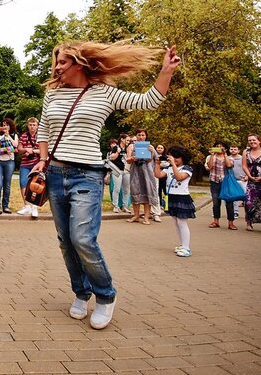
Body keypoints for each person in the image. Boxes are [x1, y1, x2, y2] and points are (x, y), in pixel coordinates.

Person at [30, 40, 180, 330]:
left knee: (83, 239)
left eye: (62, 62)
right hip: (57, 174)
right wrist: (43, 160)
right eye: (56, 62)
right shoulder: (52, 95)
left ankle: (105, 295)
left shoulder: (104, 93)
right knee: (65, 241)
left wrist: (166, 72)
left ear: (79, 63)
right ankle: (81, 292)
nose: (57, 67)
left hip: (87, 175)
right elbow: (45, 130)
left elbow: (148, 101)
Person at [154, 146, 194, 257]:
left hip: (182, 197)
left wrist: (174, 165)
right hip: (171, 197)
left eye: (177, 157)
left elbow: (179, 177)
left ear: (183, 158)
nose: (174, 159)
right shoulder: (168, 168)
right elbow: (158, 175)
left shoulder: (187, 168)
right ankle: (182, 245)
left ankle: (187, 248)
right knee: (176, 222)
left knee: (182, 222)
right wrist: (157, 164)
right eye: (172, 157)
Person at [126, 128, 159, 224]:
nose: (141, 137)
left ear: (146, 136)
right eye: (139, 135)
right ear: (136, 136)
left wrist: (152, 152)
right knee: (135, 191)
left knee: (147, 191)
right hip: (135, 170)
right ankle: (136, 215)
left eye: (143, 135)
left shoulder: (150, 146)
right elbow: (128, 160)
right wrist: (133, 158)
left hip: (147, 172)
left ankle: (146, 217)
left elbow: (150, 160)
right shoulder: (131, 146)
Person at [242, 134, 261, 232]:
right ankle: (249, 223)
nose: (252, 142)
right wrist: (249, 176)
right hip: (251, 180)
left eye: (254, 140)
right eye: (250, 140)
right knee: (249, 201)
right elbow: (244, 165)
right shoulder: (246, 152)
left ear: (259, 141)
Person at [205, 142, 236, 230]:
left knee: (229, 203)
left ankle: (231, 223)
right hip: (214, 181)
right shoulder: (210, 157)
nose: (219, 148)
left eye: (221, 147)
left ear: (225, 149)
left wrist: (225, 155)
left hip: (226, 182)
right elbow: (210, 167)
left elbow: (229, 165)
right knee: (216, 202)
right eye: (217, 147)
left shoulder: (229, 158)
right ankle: (216, 221)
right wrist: (211, 155)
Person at [0, 117, 18, 214]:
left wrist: (8, 135)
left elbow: (15, 145)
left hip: (9, 161)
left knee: (7, 185)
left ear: (10, 126)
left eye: (6, 125)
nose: (5, 126)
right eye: (3, 125)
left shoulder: (14, 135)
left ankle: (5, 206)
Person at [17, 117, 40, 218]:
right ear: (28, 125)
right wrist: (26, 149)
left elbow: (44, 150)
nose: (32, 127)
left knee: (36, 185)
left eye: (34, 125)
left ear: (37, 126)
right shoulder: (23, 136)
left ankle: (34, 206)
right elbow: (19, 148)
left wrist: (33, 151)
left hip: (37, 164)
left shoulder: (41, 137)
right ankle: (27, 206)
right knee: (23, 183)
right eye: (30, 125)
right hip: (25, 164)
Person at [106, 134, 131, 213]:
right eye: (127, 140)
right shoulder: (116, 147)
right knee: (117, 188)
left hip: (126, 170)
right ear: (122, 139)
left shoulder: (128, 148)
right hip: (117, 170)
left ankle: (125, 206)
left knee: (126, 189)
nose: (128, 142)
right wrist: (117, 152)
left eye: (129, 141)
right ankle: (116, 206)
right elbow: (112, 158)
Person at [228, 144, 246, 220]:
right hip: (232, 180)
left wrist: (246, 176)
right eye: (231, 149)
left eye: (235, 149)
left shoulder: (243, 158)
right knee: (234, 197)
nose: (233, 150)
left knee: (245, 196)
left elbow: (247, 168)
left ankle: (248, 213)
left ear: (238, 150)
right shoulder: (227, 158)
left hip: (242, 180)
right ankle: (235, 211)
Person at [154, 144, 169, 211]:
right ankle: (159, 204)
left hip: (164, 175)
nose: (159, 149)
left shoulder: (166, 157)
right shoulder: (154, 156)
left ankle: (167, 205)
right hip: (156, 175)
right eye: (158, 147)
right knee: (158, 190)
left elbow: (168, 165)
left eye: (161, 148)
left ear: (164, 149)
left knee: (165, 190)